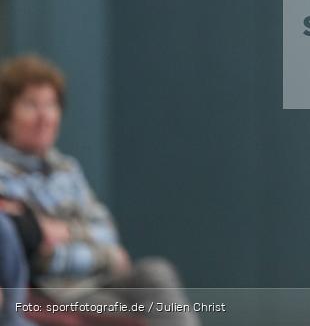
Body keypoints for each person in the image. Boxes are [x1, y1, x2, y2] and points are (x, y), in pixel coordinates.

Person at [0, 54, 199, 326]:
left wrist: (64, 235)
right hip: (53, 294)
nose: (44, 117)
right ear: (6, 114)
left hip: (101, 280)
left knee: (155, 272)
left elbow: (107, 233)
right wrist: (96, 250)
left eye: (52, 105)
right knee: (128, 315)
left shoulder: (66, 169)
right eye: (31, 105)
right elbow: (29, 252)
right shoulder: (3, 174)